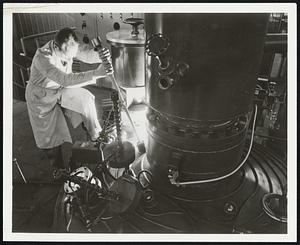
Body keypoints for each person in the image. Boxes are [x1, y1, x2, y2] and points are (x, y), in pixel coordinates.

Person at [25, 27, 114, 172]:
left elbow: (86, 53)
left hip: (60, 89)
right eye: (68, 55)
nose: (70, 58)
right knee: (49, 138)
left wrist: (101, 55)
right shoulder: (43, 57)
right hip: (41, 97)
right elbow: (65, 79)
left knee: (85, 99)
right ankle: (58, 170)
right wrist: (97, 74)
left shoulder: (69, 45)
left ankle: (95, 136)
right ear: (59, 47)